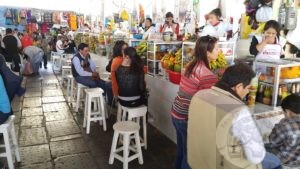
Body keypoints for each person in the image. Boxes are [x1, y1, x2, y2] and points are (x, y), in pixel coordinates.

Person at [188, 63, 282, 169]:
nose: (247, 92)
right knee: (276, 162)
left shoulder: (199, 95)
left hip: (197, 162)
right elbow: (256, 156)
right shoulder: (238, 110)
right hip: (224, 165)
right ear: (239, 87)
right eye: (248, 88)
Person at [171, 36, 219, 169]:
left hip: (176, 112)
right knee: (190, 157)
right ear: (207, 53)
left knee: (182, 151)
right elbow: (207, 103)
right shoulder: (207, 75)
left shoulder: (191, 65)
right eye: (217, 48)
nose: (219, 51)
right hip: (186, 118)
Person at [267, 94, 300, 166]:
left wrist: (278, 125)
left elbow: (273, 142)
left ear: (287, 112)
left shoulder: (286, 125)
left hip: (285, 161)